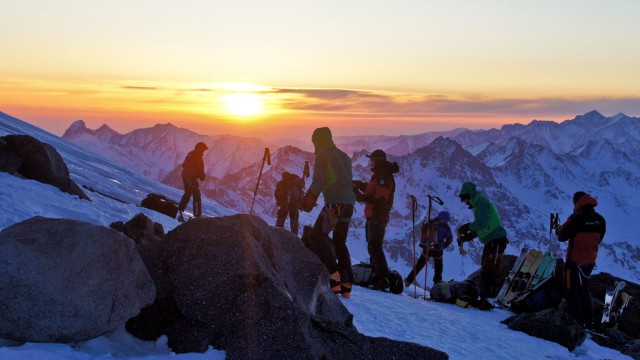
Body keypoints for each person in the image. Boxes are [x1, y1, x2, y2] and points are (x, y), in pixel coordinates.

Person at [302, 127, 356, 298]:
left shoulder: (323, 156)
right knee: (340, 241)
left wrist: (308, 200)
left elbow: (319, 181)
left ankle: (334, 277)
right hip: (349, 203)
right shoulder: (345, 157)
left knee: (317, 236)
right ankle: (346, 286)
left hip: (335, 202)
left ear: (318, 141)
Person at [557, 191, 606, 329]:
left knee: (570, 290)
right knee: (584, 289)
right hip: (589, 262)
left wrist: (558, 229)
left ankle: (577, 322)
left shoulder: (576, 217)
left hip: (573, 261)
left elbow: (562, 235)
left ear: (577, 202)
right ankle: (588, 320)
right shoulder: (600, 220)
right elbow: (599, 238)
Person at [353, 149, 399, 290]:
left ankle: (381, 278)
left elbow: (379, 199)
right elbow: (371, 189)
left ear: (378, 162)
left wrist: (359, 195)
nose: (370, 163)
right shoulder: (379, 176)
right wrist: (359, 186)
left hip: (378, 216)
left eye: (372, 161)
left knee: (375, 245)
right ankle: (377, 273)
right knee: (373, 245)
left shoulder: (383, 177)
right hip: (373, 216)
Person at [457, 182, 508, 309]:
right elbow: (483, 227)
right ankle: (486, 299)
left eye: (464, 199)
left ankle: (488, 300)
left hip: (496, 240)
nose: (464, 202)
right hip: (492, 240)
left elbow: (482, 224)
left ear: (469, 195)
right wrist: (469, 236)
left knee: (490, 269)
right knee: (487, 268)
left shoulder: (482, 204)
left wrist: (467, 227)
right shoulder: (479, 205)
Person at [405, 211, 453, 287]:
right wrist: (442, 246)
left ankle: (408, 281)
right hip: (438, 250)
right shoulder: (445, 226)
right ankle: (437, 285)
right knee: (438, 269)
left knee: (419, 266)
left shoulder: (431, 222)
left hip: (427, 248)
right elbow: (449, 239)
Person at [178, 142, 208, 220]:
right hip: (191, 178)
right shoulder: (198, 155)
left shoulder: (190, 153)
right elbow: (200, 168)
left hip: (185, 176)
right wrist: (201, 176)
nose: (204, 152)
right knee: (197, 195)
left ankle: (179, 210)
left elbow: (184, 164)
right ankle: (197, 214)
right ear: (200, 149)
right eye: (203, 150)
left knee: (187, 194)